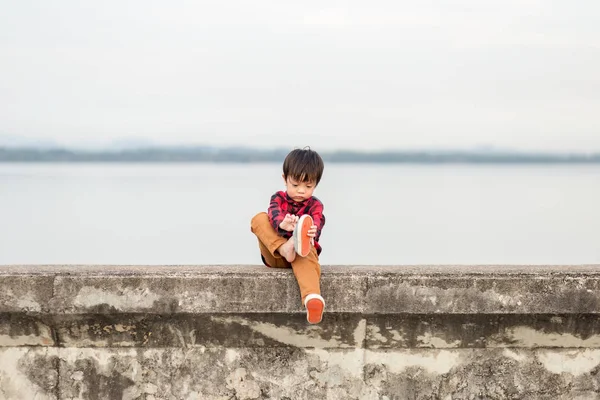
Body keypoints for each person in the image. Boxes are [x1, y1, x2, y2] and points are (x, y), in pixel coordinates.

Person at [250, 147, 326, 324]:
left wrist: (313, 230)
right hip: (275, 254)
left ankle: (312, 298)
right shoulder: (277, 198)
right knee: (259, 219)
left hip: (301, 255)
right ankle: (286, 247)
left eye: (308, 186)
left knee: (307, 252)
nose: (301, 191)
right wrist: (283, 225)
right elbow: (273, 215)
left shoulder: (315, 205)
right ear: (285, 179)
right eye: (295, 185)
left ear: (315, 184)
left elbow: (318, 221)